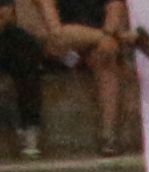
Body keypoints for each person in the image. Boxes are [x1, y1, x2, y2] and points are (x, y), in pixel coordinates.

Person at [0, 0, 137, 161]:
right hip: (64, 53)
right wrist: (108, 38)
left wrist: (107, 36)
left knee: (106, 59)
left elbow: (115, 9)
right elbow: (57, 34)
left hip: (94, 48)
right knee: (61, 41)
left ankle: (109, 136)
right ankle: (120, 39)